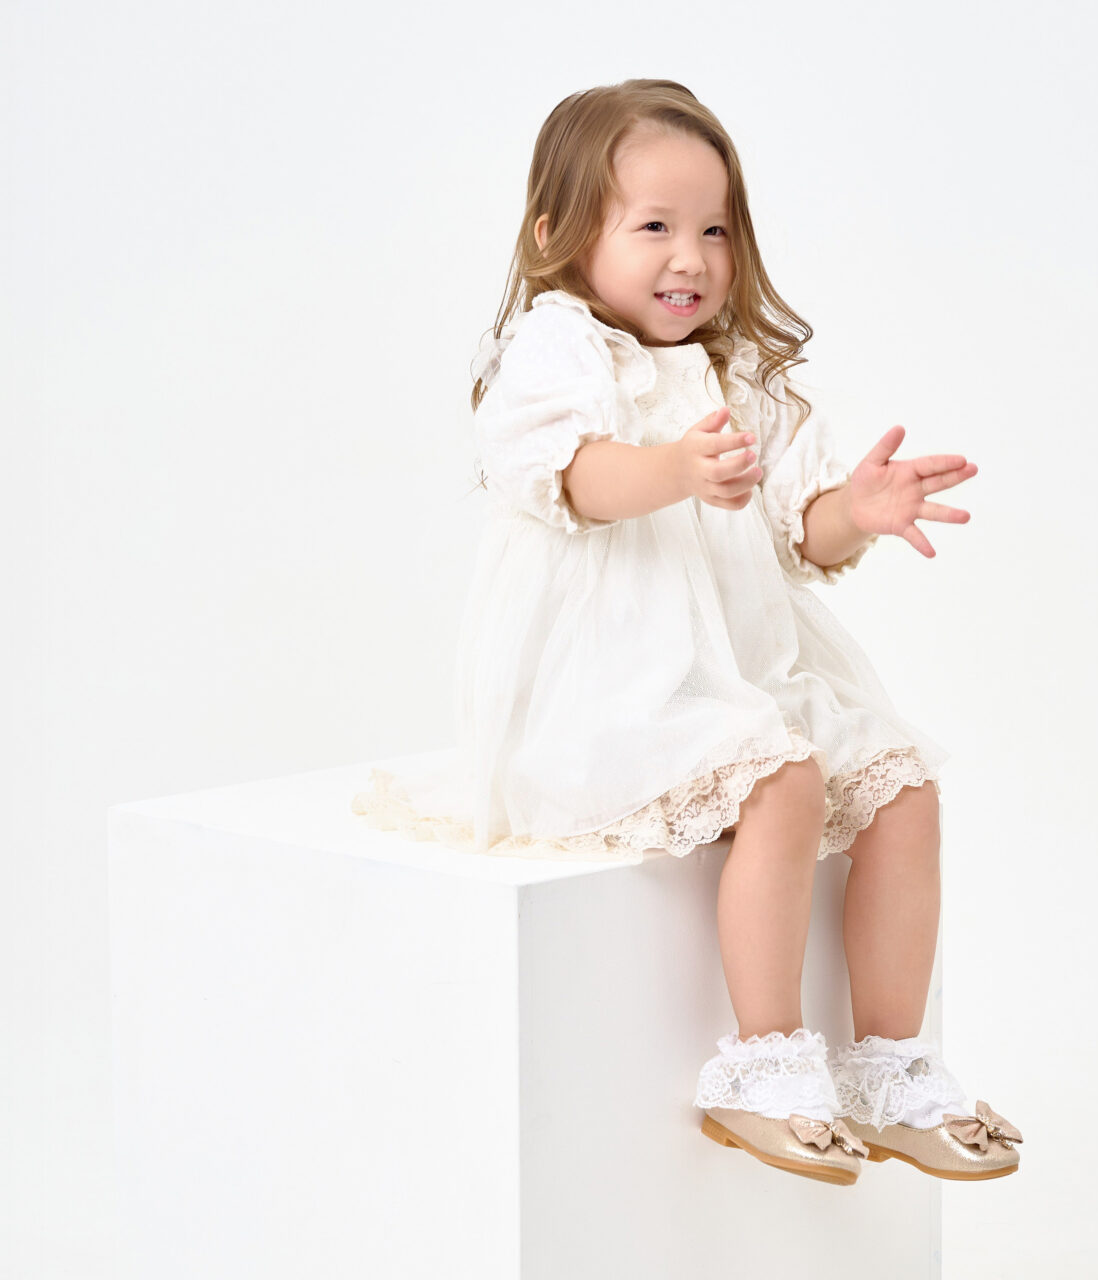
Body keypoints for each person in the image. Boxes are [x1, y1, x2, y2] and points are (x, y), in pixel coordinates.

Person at [352, 78, 1023, 1186]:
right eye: (654, 226)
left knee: (903, 789)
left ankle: (891, 1065)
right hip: (611, 682)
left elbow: (793, 527)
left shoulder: (731, 368)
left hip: (742, 665)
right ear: (558, 235)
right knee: (784, 784)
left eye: (714, 229)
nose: (692, 258)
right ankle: (764, 1063)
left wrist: (852, 509)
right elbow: (572, 480)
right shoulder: (559, 347)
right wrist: (673, 467)